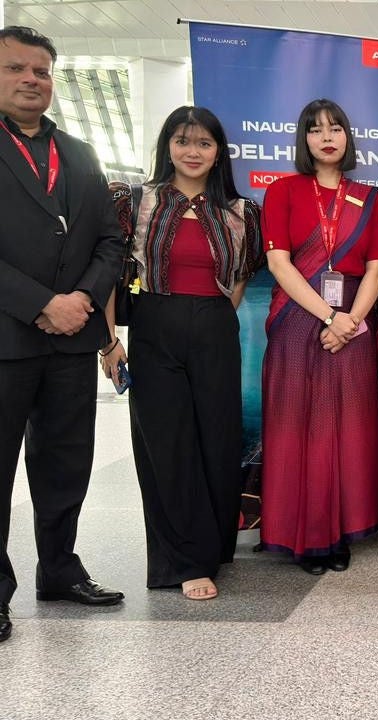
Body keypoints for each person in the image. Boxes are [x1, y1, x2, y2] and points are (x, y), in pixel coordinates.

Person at [101, 106, 264, 600]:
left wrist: (217, 316)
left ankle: (212, 549)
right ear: (167, 146)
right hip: (154, 324)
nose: (192, 152)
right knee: (166, 445)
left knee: (218, 440)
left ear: (219, 153)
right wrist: (108, 342)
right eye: (182, 141)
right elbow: (110, 273)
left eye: (204, 143)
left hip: (215, 325)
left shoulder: (241, 211)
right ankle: (182, 561)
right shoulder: (135, 201)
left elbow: (240, 277)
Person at [0, 25, 127, 641]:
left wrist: (80, 299)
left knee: (65, 463)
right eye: (17, 68)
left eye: (42, 70)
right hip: (7, 337)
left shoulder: (78, 152)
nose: (31, 79)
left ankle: (60, 569)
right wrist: (40, 302)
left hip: (71, 338)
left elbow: (109, 237)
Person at [260, 99, 378, 575]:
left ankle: (343, 530)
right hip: (297, 318)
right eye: (315, 130)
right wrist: (329, 317)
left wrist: (349, 319)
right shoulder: (284, 192)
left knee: (349, 429)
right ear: (304, 140)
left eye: (336, 128)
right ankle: (306, 536)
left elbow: (377, 267)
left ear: (348, 138)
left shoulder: (369, 196)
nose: (326, 137)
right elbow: (279, 263)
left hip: (354, 322)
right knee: (300, 427)